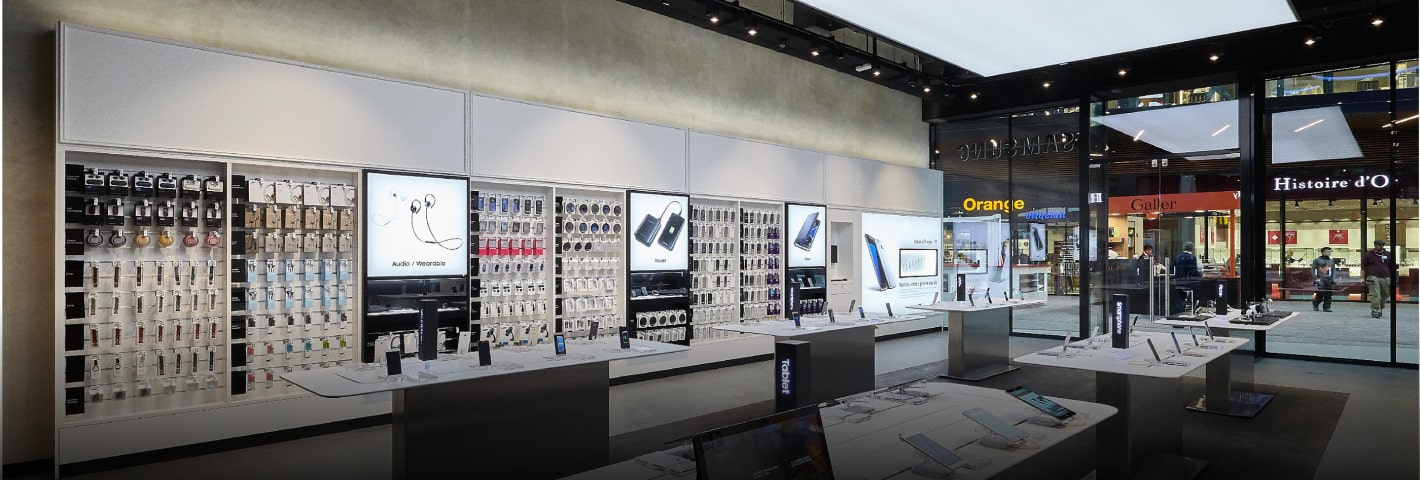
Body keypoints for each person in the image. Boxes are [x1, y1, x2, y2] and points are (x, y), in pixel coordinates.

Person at [1362, 239, 1395, 318]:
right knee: (1375, 295)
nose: (1381, 247)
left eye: (1382, 245)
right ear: (1375, 245)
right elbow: (1363, 268)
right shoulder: (1368, 255)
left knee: (1386, 294)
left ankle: (1380, 308)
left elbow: (1392, 267)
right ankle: (1375, 310)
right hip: (1372, 277)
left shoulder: (1388, 254)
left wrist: (1393, 277)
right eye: (1379, 245)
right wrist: (1362, 278)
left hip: (1386, 277)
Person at [1311, 247, 1336, 312]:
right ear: (1323, 252)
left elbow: (1333, 270)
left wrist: (1333, 279)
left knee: (1328, 294)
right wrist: (1316, 278)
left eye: (1330, 251)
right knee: (1320, 294)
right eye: (1328, 251)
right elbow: (1313, 269)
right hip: (1320, 279)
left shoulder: (1331, 260)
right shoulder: (1317, 260)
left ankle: (1327, 307)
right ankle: (1315, 304)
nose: (1329, 253)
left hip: (1329, 279)